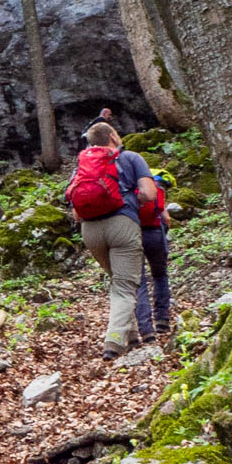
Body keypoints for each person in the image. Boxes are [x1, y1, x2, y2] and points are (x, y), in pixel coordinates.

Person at [67, 122, 159, 358]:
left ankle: (131, 335)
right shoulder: (130, 158)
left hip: (90, 230)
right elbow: (149, 194)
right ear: (113, 136)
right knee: (125, 285)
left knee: (118, 281)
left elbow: (75, 210)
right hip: (122, 225)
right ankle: (114, 342)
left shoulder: (82, 165)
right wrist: (131, 201)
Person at [135, 170, 174, 339]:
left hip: (134, 235)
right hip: (155, 233)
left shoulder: (131, 187)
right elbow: (167, 219)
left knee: (140, 281)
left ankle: (146, 329)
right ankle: (162, 320)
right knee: (160, 275)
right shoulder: (156, 189)